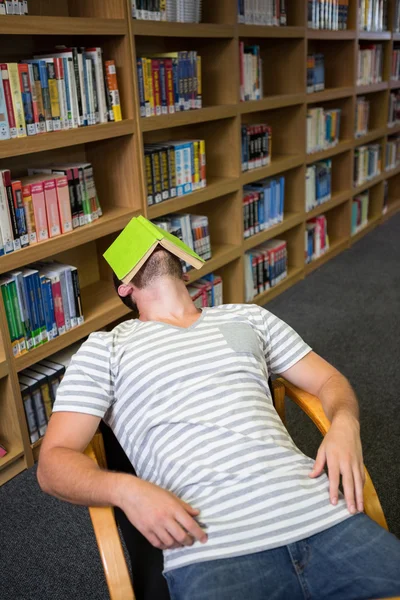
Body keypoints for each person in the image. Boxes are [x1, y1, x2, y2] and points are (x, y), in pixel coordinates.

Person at [38, 246, 400, 600]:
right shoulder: (105, 348)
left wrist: (345, 425)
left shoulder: (248, 317)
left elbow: (329, 382)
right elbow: (54, 460)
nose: (149, 245)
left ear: (186, 265)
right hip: (212, 545)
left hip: (322, 512)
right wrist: (126, 490)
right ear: (125, 288)